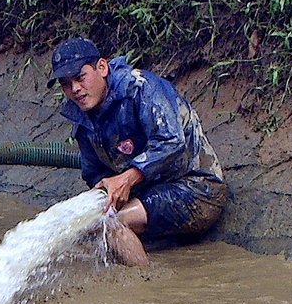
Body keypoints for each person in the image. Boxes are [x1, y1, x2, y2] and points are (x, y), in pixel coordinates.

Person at [50, 38, 226, 266]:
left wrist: (127, 178)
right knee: (86, 229)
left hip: (196, 189)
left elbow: (172, 141)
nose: (74, 89)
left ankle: (146, 286)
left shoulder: (141, 88)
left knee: (111, 224)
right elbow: (94, 174)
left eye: (80, 77)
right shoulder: (82, 113)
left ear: (101, 67)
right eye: (66, 83)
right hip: (145, 194)